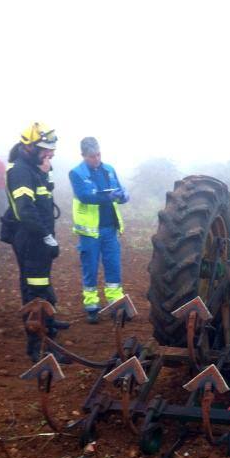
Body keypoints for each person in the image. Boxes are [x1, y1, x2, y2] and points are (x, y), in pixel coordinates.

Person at [3, 122, 69, 361]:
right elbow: (25, 211)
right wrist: (46, 236)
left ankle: (48, 324)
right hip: (31, 240)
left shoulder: (32, 168)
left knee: (41, 285)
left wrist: (45, 171)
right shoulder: (20, 171)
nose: (50, 153)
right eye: (45, 149)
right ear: (29, 147)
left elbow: (42, 195)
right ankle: (39, 347)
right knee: (35, 291)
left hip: (36, 239)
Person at [69, 137, 129, 323]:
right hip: (90, 232)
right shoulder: (76, 173)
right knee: (90, 268)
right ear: (83, 156)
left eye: (98, 154)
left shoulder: (109, 169)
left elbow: (119, 190)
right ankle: (92, 305)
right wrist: (108, 196)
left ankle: (115, 302)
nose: (96, 159)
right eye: (91, 156)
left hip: (110, 228)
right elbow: (85, 196)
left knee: (113, 266)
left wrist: (122, 196)